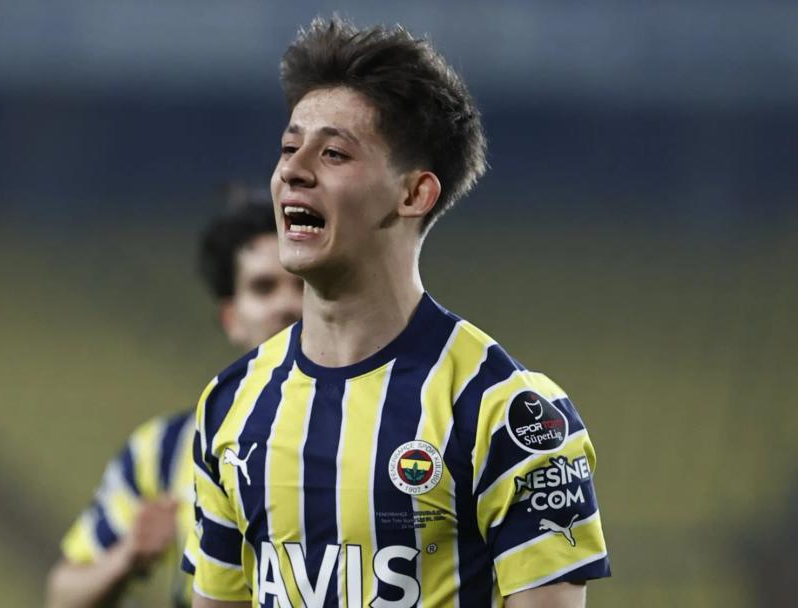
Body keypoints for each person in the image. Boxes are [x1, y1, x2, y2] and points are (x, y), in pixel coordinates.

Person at [184, 17, 610, 608]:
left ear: (413, 194)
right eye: (288, 147)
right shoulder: (231, 405)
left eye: (333, 153)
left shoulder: (508, 414)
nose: (292, 170)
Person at [46, 198, 303, 608]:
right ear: (231, 318)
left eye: (304, 284)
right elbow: (62, 595)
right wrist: (126, 556)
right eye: (263, 287)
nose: (288, 305)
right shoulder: (164, 451)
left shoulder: (390, 428)